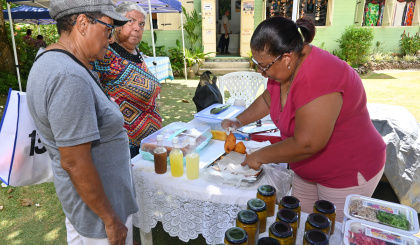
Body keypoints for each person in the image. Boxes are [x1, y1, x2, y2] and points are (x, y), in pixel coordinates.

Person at [221, 17, 386, 221]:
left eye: (264, 66)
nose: (260, 72)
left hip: (346, 172)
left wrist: (260, 156)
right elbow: (268, 98)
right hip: (306, 170)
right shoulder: (283, 71)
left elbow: (308, 144)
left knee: (328, 233)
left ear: (287, 58)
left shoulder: (319, 74)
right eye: (256, 64)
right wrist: (239, 120)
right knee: (297, 226)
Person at [26, 0, 138, 244]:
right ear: (83, 24)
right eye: (108, 30)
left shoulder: (55, 61)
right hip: (98, 217)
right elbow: (75, 162)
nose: (110, 39)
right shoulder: (68, 77)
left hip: (89, 208)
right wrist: (110, 220)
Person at [91, 1, 162, 159]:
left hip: (149, 141)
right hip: (124, 146)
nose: (137, 28)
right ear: (117, 24)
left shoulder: (136, 52)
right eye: (131, 21)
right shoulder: (106, 54)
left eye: (142, 24)